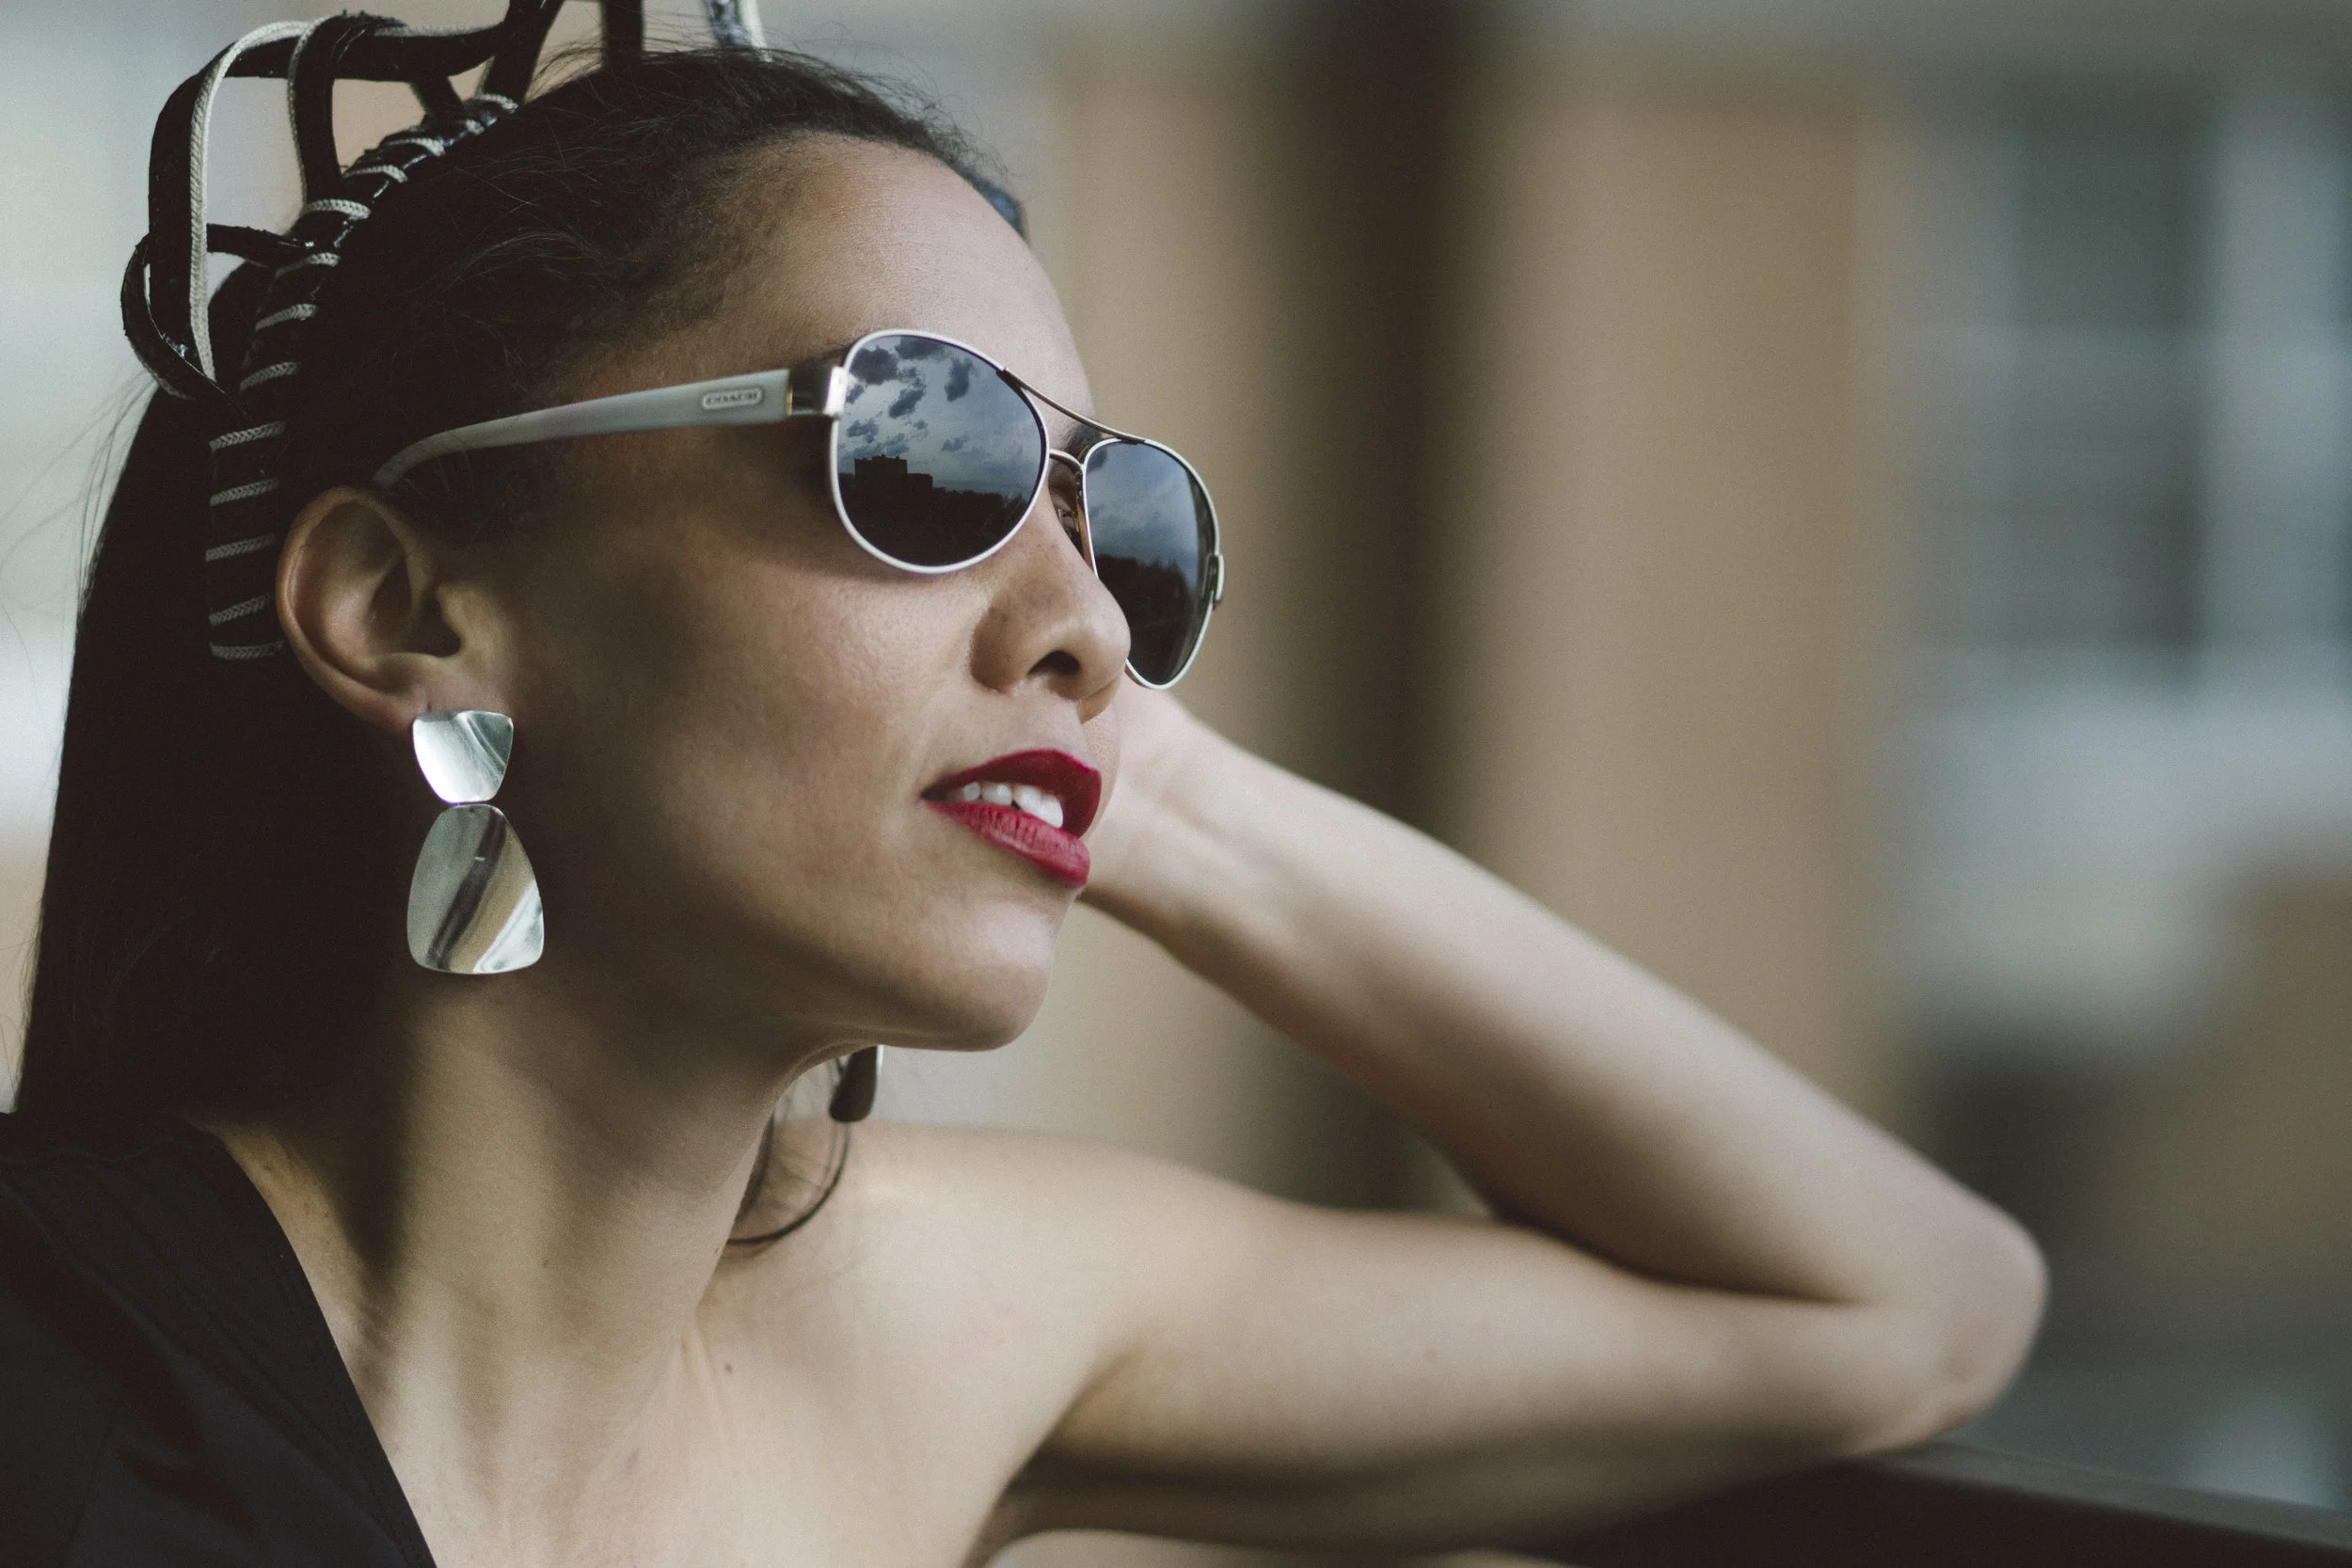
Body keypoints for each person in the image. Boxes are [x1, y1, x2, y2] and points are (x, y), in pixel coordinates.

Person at [1, 6, 2044, 1564]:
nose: (1090, 619)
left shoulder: (915, 1332)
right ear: (408, 605)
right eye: (922, 454)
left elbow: (1912, 1302)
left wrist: (1131, 782)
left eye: (1121, 523)